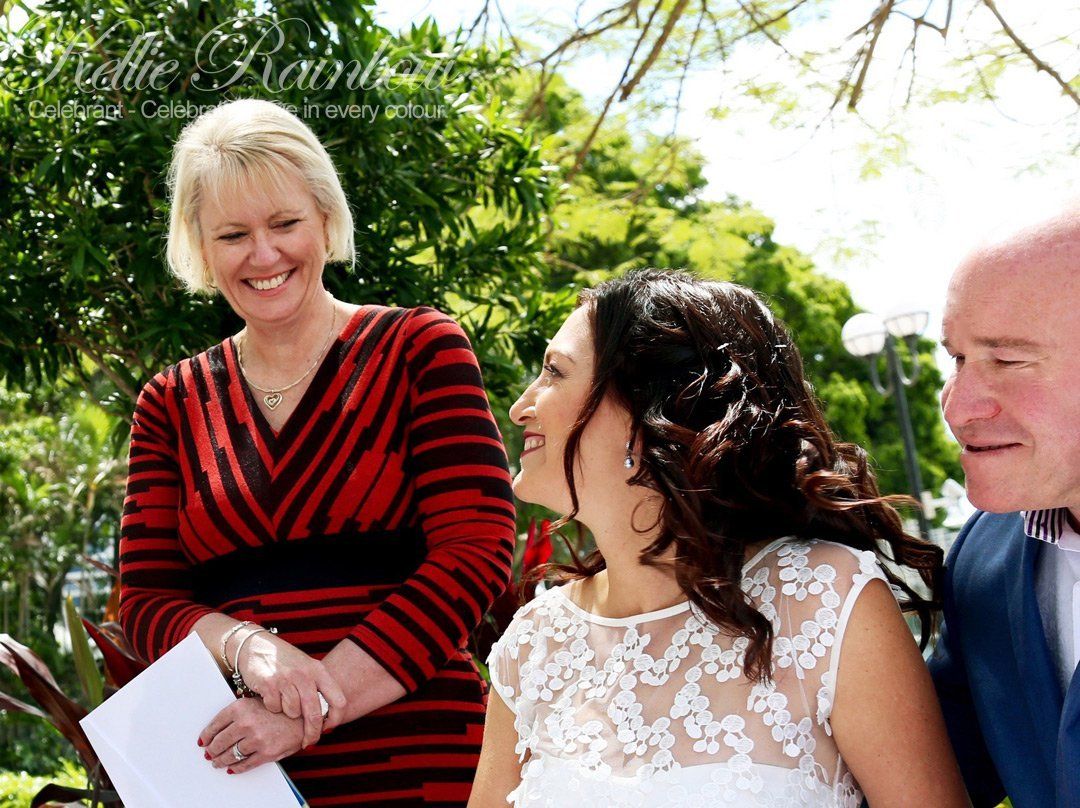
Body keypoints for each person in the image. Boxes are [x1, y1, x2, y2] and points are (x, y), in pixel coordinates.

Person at [117, 98, 516, 806]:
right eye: (233, 233)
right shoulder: (169, 403)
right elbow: (143, 601)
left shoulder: (421, 350)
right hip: (239, 775)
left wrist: (302, 709)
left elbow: (477, 552)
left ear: (326, 219)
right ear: (202, 250)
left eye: (285, 223)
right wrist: (246, 646)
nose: (263, 255)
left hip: (421, 763)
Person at [468, 269, 968, 807]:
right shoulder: (535, 642)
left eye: (554, 372)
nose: (521, 406)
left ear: (648, 409)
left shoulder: (825, 599)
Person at [930, 205, 1080, 807]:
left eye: (1008, 360)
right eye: (958, 359)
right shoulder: (981, 557)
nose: (958, 406)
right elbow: (927, 773)